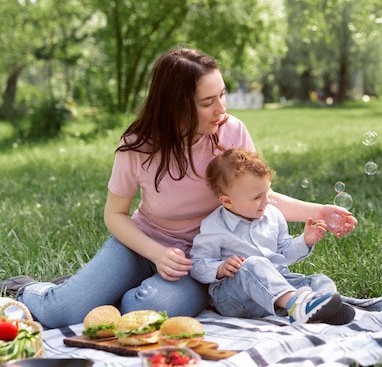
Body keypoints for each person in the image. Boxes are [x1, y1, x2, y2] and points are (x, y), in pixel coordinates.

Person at [0, 47, 357, 328]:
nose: (222, 109)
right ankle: (30, 288)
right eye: (208, 102)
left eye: (223, 95)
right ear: (177, 105)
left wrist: (318, 211)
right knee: (63, 311)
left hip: (205, 260)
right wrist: (156, 254)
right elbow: (115, 214)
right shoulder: (139, 145)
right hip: (142, 245)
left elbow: (257, 198)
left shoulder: (232, 132)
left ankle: (109, 291)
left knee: (150, 311)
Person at [190, 147, 355, 325]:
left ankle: (313, 308)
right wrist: (220, 268)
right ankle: (299, 305)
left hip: (275, 288)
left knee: (320, 280)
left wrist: (305, 240)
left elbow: (284, 254)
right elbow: (197, 263)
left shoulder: (273, 215)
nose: (267, 201)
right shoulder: (214, 226)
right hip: (236, 298)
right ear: (228, 201)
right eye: (257, 197)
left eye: (267, 193)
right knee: (251, 263)